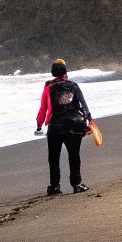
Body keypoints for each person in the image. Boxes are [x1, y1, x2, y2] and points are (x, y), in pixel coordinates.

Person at [34, 58, 92, 195]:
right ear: (65, 71)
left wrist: (39, 125)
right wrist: (89, 121)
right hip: (74, 125)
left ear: (53, 72)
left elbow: (43, 108)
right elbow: (83, 105)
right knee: (74, 156)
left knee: (54, 158)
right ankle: (77, 185)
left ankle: (55, 186)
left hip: (56, 127)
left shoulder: (48, 87)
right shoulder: (74, 85)